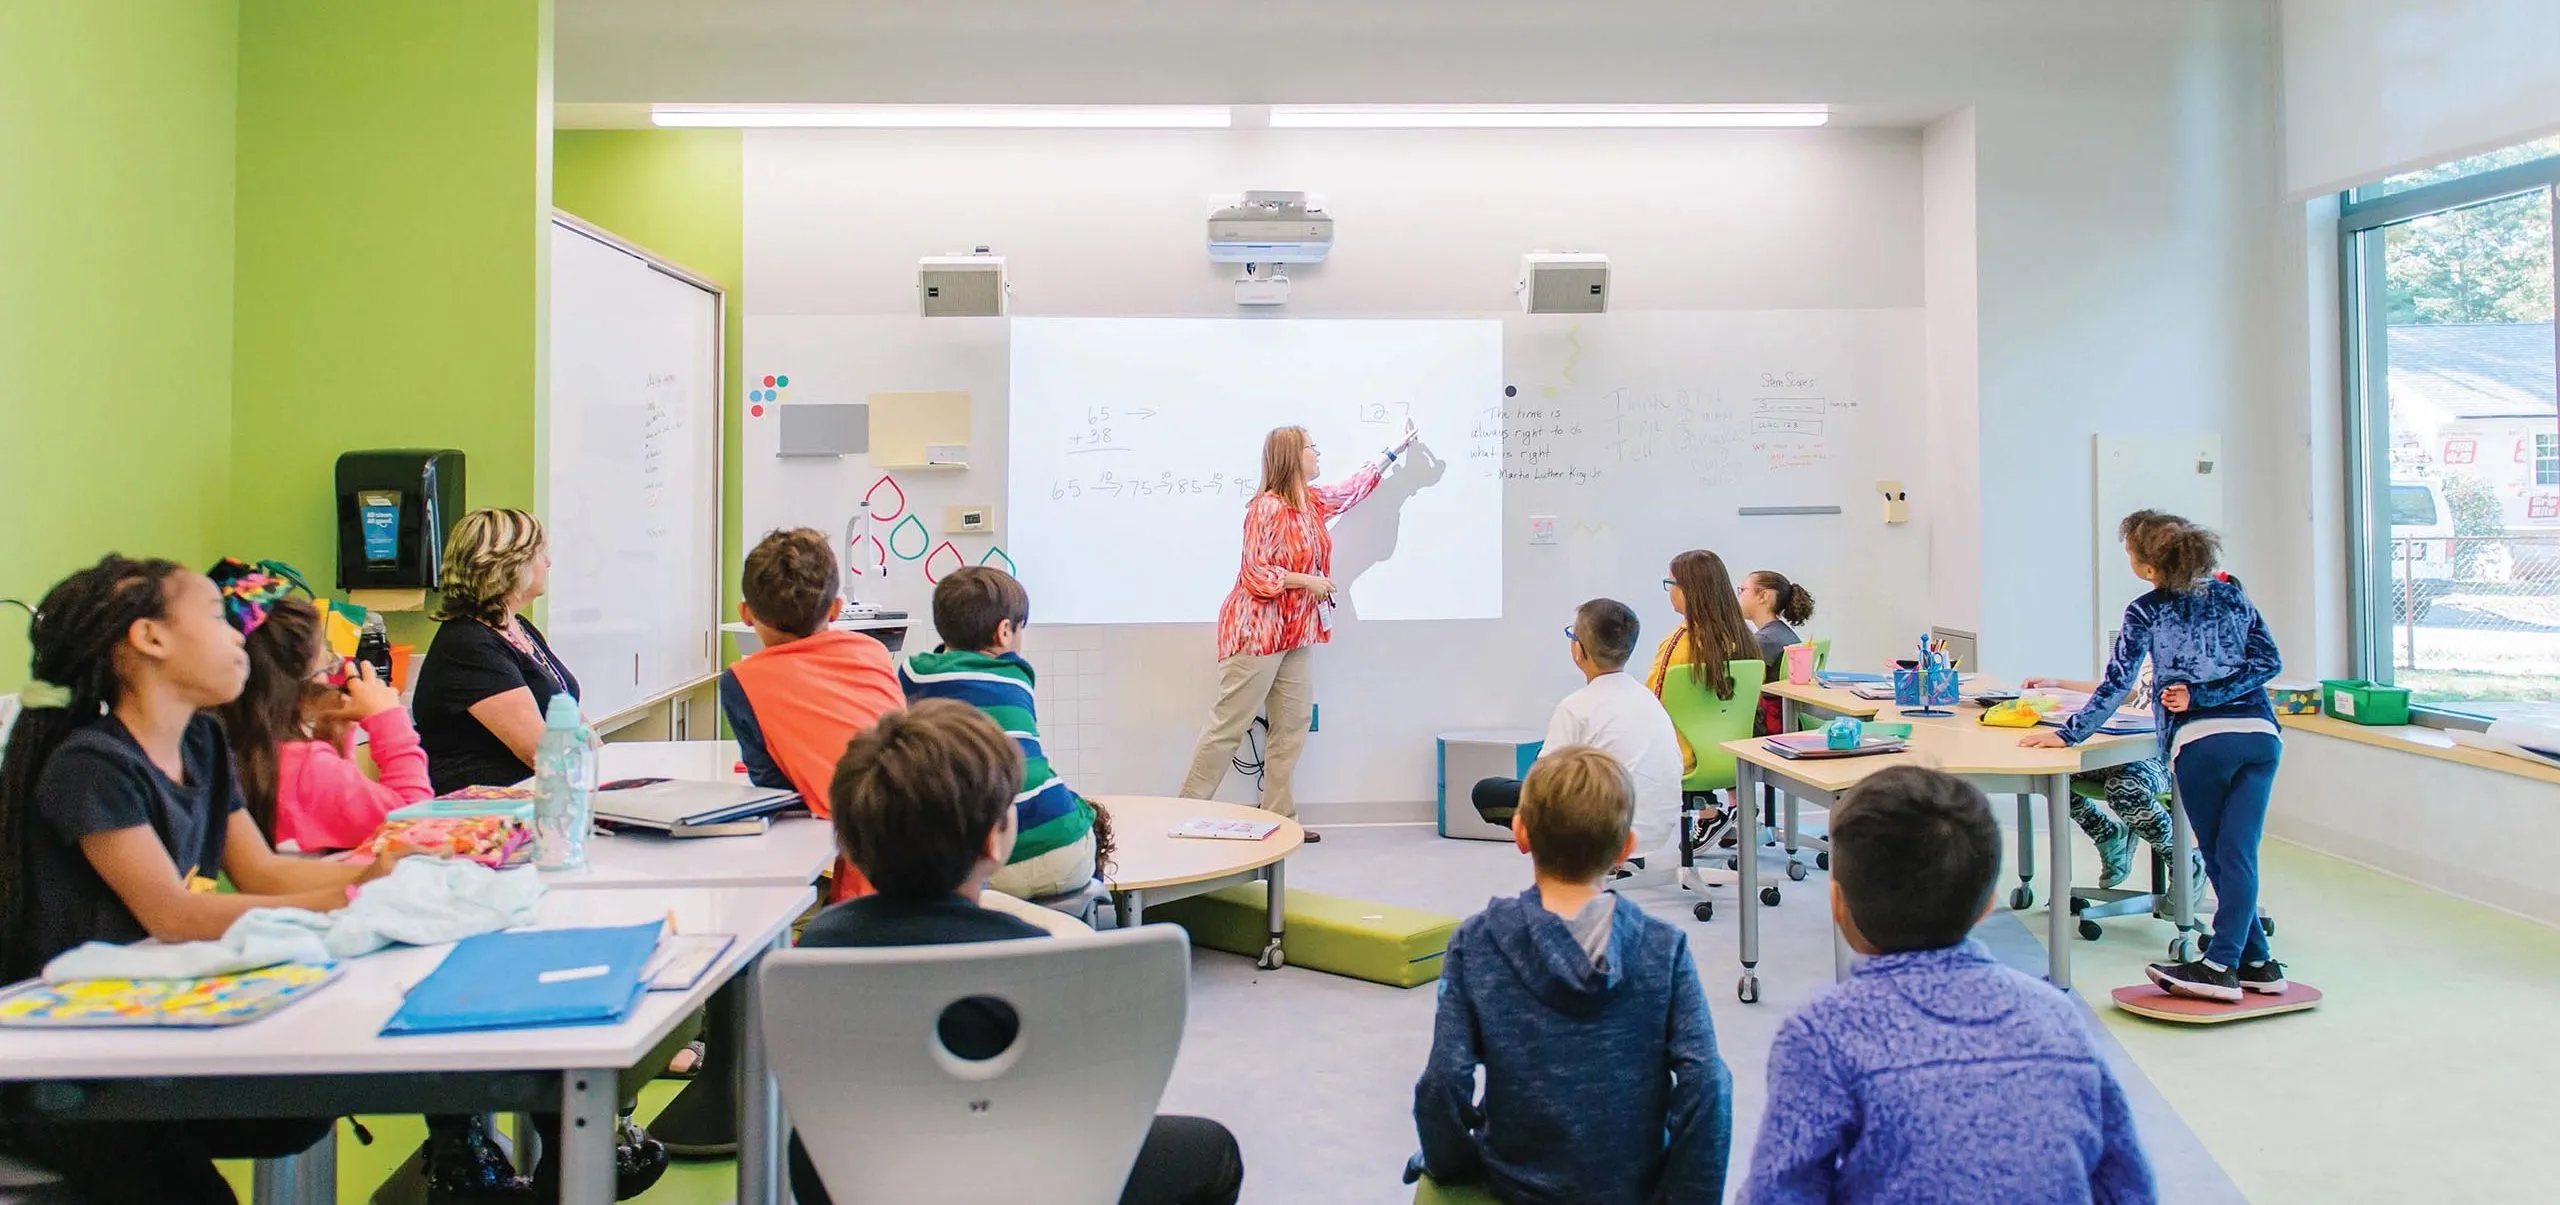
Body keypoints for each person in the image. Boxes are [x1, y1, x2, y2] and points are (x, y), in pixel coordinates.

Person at [0, 555, 412, 1202]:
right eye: (220, 618)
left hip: (151, 1038)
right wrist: (357, 895)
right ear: (150, 638)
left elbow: (264, 871)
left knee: (300, 1112)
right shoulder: (91, 766)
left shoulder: (201, 743)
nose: (238, 637)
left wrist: (387, 872)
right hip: (79, 1065)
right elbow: (171, 912)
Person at [790, 700, 1245, 1205]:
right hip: (1021, 1178)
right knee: (1212, 1152)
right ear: (994, 842)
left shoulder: (815, 948)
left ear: (851, 843)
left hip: (851, 1181)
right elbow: (1087, 1104)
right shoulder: (1033, 960)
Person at [1738, 765, 2153, 1204]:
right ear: (1987, 904)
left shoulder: (1821, 1033)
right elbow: (2126, 1186)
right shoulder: (2056, 1016)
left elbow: (1779, 1193)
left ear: (1837, 903)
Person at [1413, 746, 1732, 1204]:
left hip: (1515, 1184)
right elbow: (1708, 1085)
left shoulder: (1478, 942)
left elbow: (1444, 1079)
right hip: (1631, 1186)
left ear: (1520, 833)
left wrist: (1451, 1165)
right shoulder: (1665, 949)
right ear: (1626, 849)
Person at [2022, 511, 2285, 1002]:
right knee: (2238, 854)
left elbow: (2117, 683)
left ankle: (2219, 967)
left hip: (2204, 744)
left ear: (2147, 567)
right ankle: (2259, 962)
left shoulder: (2146, 610)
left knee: (2222, 855)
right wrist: (2217, 691)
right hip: (2261, 737)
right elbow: (2269, 662)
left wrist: (2068, 735)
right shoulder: (2232, 594)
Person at [1179, 420, 1420, 840]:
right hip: (1256, 633)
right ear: (1293, 456)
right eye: (1313, 447)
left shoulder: (1311, 501)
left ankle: (1279, 820)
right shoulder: (1266, 507)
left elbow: (1351, 490)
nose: (1319, 454)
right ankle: (1182, 815)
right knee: (1227, 727)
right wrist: (1306, 580)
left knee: (1291, 727)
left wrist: (1393, 452)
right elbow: (1256, 573)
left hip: (1294, 633)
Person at [897, 565, 1113, 899]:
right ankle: (1091, 918)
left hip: (982, 867)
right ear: (1004, 633)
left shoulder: (915, 674)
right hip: (1063, 856)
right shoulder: (1016, 674)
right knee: (1085, 813)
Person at [205, 559, 430, 852]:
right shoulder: (308, 767)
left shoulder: (240, 751)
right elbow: (416, 823)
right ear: (298, 684)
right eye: (324, 658)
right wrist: (390, 719)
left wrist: (334, 734)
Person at [1472, 599, 1684, 862]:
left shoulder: (1575, 707)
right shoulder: (1648, 699)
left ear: (1578, 650)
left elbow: (1542, 786)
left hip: (1602, 832)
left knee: (1488, 791)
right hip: (1657, 829)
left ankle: (1565, 859)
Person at [718, 527, 903, 819]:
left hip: (859, 843)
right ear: (836, 609)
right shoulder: (874, 651)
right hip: (924, 816)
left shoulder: (739, 681)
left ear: (745, 614)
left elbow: (772, 788)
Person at [411, 508, 579, 795]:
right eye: (540, 553)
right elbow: (539, 751)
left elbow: (573, 720)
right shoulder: (468, 646)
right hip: (482, 811)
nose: (548, 563)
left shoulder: (517, 627)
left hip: (529, 797)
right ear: (511, 566)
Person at [1642, 550, 1763, 841]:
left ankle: (1629, 848)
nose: (1669, 592)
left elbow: (1651, 703)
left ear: (1690, 591)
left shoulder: (1679, 643)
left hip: (1685, 759)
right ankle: (1717, 812)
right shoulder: (1742, 638)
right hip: (1735, 756)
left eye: (1672, 584)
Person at [1737, 568, 1818, 741]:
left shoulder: (1765, 641)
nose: (1738, 597)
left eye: (1742, 590)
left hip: (1767, 727)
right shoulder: (1781, 633)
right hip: (1783, 720)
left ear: (1763, 596)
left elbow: (1740, 689)